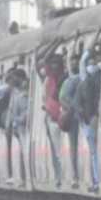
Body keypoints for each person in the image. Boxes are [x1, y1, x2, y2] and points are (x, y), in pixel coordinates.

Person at [77, 46, 101, 193]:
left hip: (92, 119)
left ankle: (96, 180)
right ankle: (96, 179)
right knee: (93, 151)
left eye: (94, 62)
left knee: (94, 151)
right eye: (90, 63)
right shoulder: (86, 79)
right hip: (90, 120)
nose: (92, 65)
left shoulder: (91, 78)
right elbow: (82, 62)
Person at [58, 52, 83, 189]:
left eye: (76, 63)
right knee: (74, 147)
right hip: (73, 118)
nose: (73, 65)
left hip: (78, 116)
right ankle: (75, 175)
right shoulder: (69, 81)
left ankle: (78, 175)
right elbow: (62, 98)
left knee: (76, 147)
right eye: (72, 63)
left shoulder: (75, 79)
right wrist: (73, 108)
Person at [41, 53, 66, 187]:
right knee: (56, 151)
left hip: (62, 118)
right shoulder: (49, 78)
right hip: (52, 118)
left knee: (60, 151)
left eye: (57, 67)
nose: (54, 69)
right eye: (52, 66)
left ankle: (61, 175)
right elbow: (44, 59)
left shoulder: (64, 79)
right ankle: (58, 176)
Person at [6, 68, 30, 187]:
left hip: (23, 124)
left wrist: (14, 121)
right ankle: (21, 177)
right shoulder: (15, 91)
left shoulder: (24, 91)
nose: (12, 80)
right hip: (18, 125)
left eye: (14, 78)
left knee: (25, 151)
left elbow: (17, 111)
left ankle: (25, 178)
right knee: (21, 152)